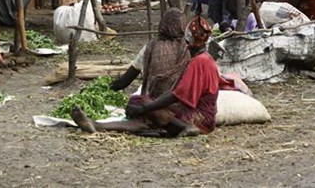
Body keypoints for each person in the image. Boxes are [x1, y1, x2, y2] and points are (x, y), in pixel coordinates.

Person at [72, 16, 221, 137]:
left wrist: (144, 107)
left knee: (142, 104)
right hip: (195, 111)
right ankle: (97, 125)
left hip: (198, 118)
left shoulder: (197, 61)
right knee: (146, 114)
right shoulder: (205, 58)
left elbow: (177, 95)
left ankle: (187, 126)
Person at [111, 8, 189, 98]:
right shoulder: (188, 49)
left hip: (151, 103)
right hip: (181, 100)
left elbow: (124, 81)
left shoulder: (150, 47)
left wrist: (106, 87)